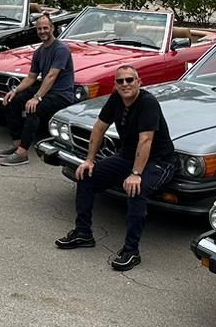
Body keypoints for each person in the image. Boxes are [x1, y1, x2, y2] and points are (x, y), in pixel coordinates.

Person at [54, 64, 173, 271]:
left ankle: (131, 251)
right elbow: (100, 126)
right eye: (120, 81)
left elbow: (146, 140)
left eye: (130, 80)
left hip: (159, 161)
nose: (125, 84)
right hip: (127, 156)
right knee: (86, 176)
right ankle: (83, 233)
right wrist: (90, 160)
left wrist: (136, 174)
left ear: (139, 82)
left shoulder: (148, 103)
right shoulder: (116, 98)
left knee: (137, 190)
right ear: (115, 85)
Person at [0, 12, 77, 164]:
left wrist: (36, 97)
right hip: (47, 91)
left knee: (33, 108)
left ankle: (23, 153)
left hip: (62, 94)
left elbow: (51, 76)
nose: (42, 31)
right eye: (39, 29)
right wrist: (14, 91)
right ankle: (17, 144)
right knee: (13, 101)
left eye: (45, 28)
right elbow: (31, 77)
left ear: (52, 28)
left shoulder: (61, 49)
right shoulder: (39, 51)